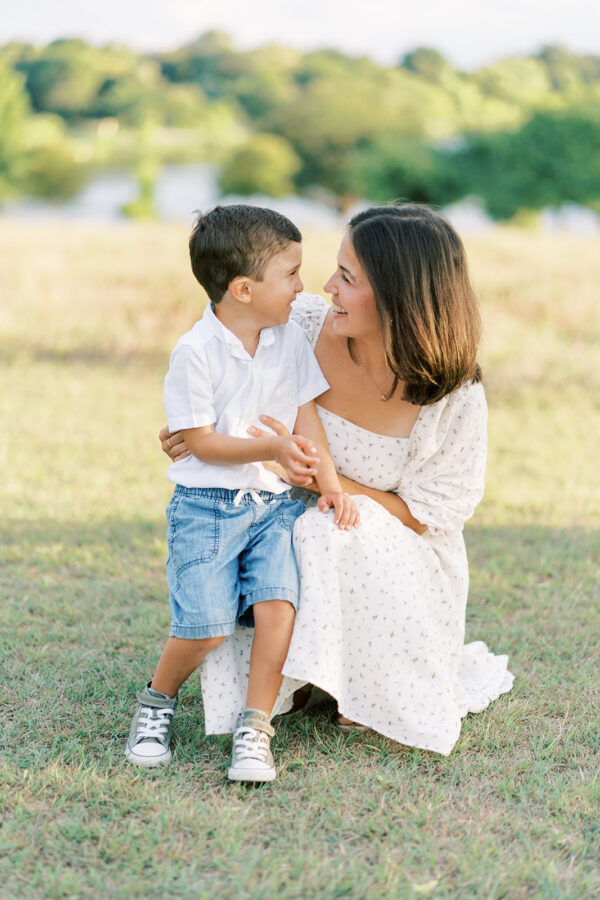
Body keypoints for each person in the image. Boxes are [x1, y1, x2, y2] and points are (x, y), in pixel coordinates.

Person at [161, 204, 514, 755]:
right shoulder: (296, 325)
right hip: (279, 517)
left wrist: (326, 480)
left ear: (400, 297)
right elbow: (224, 360)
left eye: (347, 279)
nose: (325, 288)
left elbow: (429, 515)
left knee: (326, 528)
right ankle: (296, 682)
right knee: (276, 531)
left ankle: (356, 680)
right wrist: (197, 432)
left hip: (395, 548)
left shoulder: (454, 394)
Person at [126, 205, 359, 781]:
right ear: (244, 288)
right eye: (292, 274)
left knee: (279, 610)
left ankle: (255, 729)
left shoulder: (286, 342)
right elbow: (199, 443)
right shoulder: (195, 352)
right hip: (206, 510)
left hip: (274, 507)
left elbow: (307, 420)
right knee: (205, 626)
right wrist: (271, 453)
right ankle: (157, 701)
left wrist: (327, 484)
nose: (303, 287)